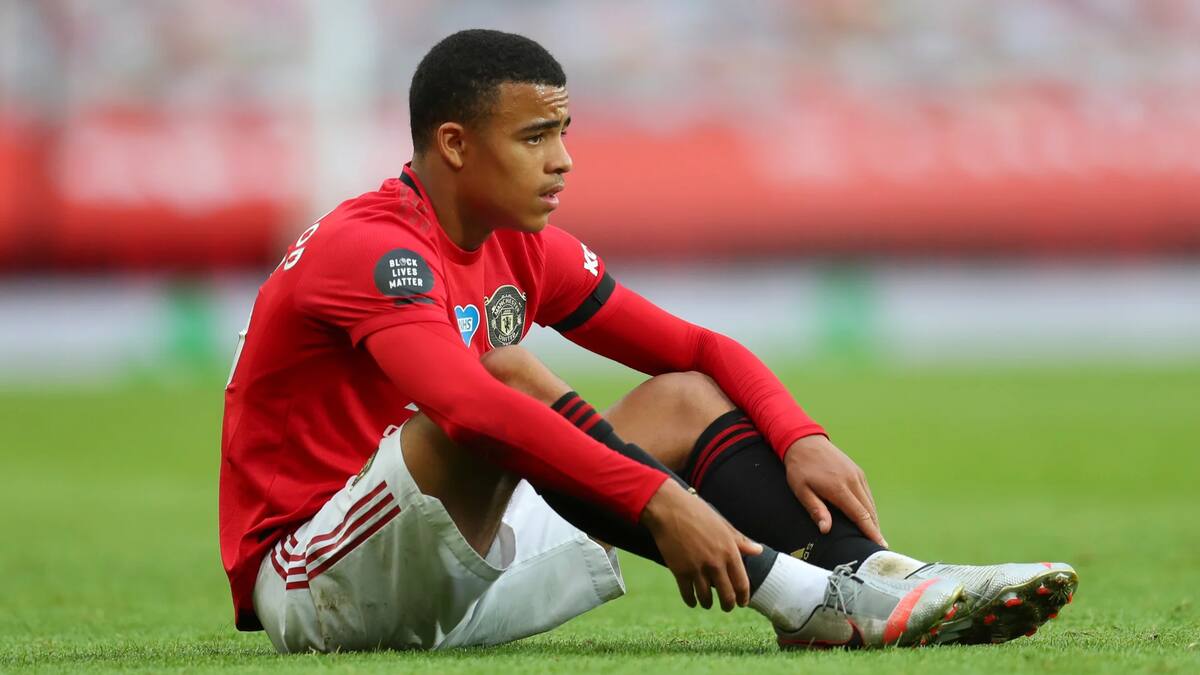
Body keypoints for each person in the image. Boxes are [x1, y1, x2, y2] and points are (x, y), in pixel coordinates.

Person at [220, 29, 1076, 653]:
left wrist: (798, 433)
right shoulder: (371, 247)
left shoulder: (521, 247)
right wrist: (663, 502)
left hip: (455, 570)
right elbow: (470, 409)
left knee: (682, 399)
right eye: (535, 137)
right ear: (454, 144)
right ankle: (804, 597)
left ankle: (874, 576)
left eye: (563, 133)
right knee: (507, 375)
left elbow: (698, 349)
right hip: (318, 582)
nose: (563, 160)